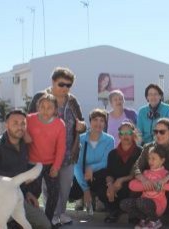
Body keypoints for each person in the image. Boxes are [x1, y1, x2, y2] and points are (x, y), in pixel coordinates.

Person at [28, 67, 86, 226]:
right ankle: (51, 215)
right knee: (49, 188)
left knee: (65, 186)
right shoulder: (41, 97)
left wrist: (82, 126)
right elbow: (29, 120)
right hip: (45, 154)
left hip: (68, 153)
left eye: (69, 85)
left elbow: (81, 122)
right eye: (62, 84)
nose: (65, 88)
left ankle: (61, 213)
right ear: (53, 82)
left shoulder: (72, 100)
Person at [0, 110, 51, 229]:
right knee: (4, 224)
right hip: (1, 199)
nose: (20, 127)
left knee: (45, 225)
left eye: (23, 123)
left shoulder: (25, 145)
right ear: (6, 125)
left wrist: (27, 192)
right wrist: (20, 179)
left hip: (20, 197)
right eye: (15, 123)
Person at [131, 118, 169, 225]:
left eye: (162, 132)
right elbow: (136, 166)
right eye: (155, 131)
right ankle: (142, 215)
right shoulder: (148, 147)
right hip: (149, 185)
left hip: (167, 187)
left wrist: (165, 179)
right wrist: (143, 179)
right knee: (134, 184)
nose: (158, 134)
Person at [24, 93, 66, 221]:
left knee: (54, 193)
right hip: (33, 164)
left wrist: (56, 167)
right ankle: (29, 219)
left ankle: (47, 221)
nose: (45, 110)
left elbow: (61, 148)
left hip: (51, 164)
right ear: (38, 107)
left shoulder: (60, 124)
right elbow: (16, 123)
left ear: (55, 109)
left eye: (49, 107)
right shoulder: (29, 119)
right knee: (33, 193)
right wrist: (25, 133)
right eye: (42, 107)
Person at [121, 146, 169, 229]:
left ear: (162, 160)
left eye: (153, 158)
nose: (150, 161)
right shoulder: (145, 173)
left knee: (141, 202)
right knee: (124, 204)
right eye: (149, 158)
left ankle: (155, 221)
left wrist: (161, 186)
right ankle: (144, 220)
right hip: (143, 203)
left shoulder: (165, 174)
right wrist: (145, 185)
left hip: (157, 205)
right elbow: (132, 185)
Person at [70, 109, 115, 215]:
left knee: (103, 190)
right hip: (82, 175)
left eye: (102, 120)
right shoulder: (81, 139)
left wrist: (91, 167)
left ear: (105, 123)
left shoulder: (109, 140)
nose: (98, 123)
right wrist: (85, 189)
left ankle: (98, 197)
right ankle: (81, 196)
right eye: (95, 120)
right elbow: (77, 165)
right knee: (72, 193)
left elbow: (106, 162)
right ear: (90, 122)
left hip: (99, 176)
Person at [101, 121, 143, 223]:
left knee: (134, 185)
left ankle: (134, 213)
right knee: (101, 186)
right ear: (119, 135)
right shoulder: (112, 153)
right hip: (116, 186)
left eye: (128, 133)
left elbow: (140, 172)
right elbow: (109, 172)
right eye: (123, 133)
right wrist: (110, 184)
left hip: (132, 184)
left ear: (133, 134)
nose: (125, 136)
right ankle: (114, 211)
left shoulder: (141, 152)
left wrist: (121, 180)